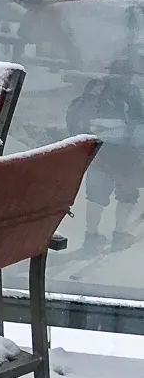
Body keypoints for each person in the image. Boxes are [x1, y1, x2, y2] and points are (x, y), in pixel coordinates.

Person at [67, 62, 144, 250]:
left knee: (95, 195)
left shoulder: (95, 88)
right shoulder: (131, 91)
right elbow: (140, 119)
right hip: (124, 151)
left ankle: (91, 236)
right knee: (127, 194)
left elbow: (74, 117)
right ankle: (119, 234)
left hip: (96, 148)